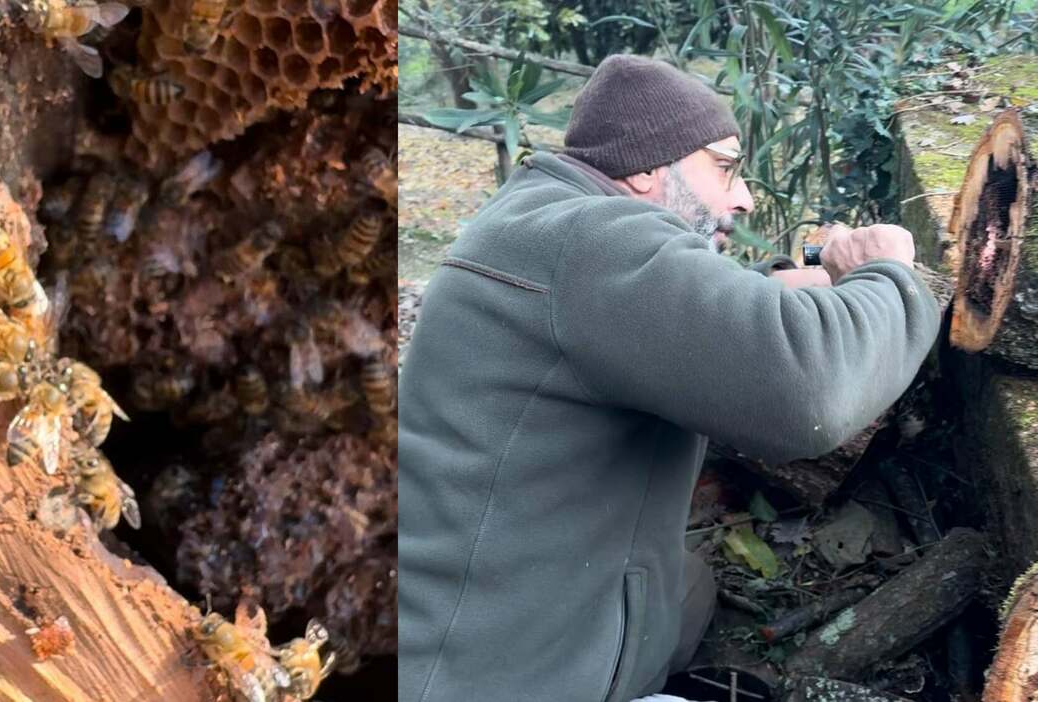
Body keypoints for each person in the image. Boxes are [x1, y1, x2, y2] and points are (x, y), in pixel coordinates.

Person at [397, 54, 941, 702]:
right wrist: (888, 277)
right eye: (724, 166)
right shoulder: (593, 239)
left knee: (691, 589)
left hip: (474, 639)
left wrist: (779, 287)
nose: (742, 196)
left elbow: (671, 308)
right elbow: (810, 394)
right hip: (482, 681)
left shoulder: (545, 221)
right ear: (649, 165)